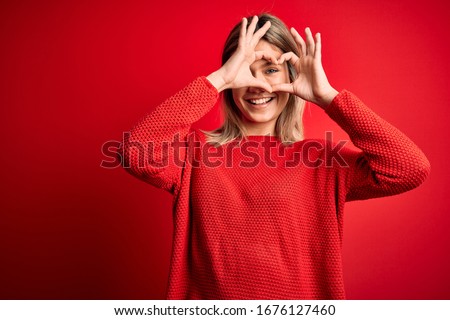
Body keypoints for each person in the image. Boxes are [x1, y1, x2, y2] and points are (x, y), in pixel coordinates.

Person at [119, 13, 430, 299]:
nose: (258, 85)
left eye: (270, 70)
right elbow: (136, 152)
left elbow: (409, 169)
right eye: (245, 72)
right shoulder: (195, 154)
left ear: (294, 80)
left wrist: (329, 98)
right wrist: (219, 80)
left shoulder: (322, 161)